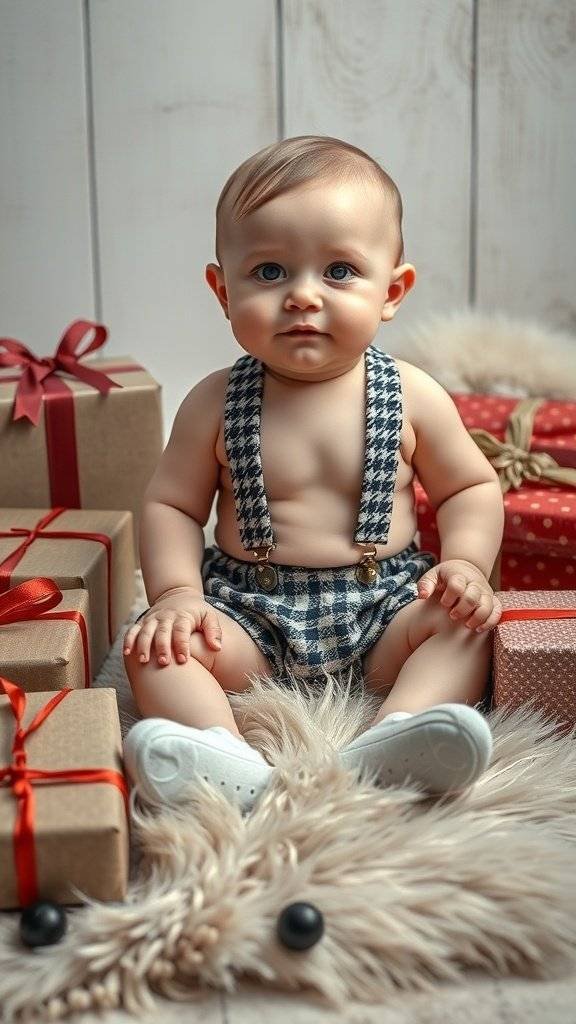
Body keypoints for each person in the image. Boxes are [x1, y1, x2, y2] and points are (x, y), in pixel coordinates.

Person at [122, 135, 504, 813]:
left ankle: (396, 734)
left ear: (392, 290)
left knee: (462, 627)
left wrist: (468, 565)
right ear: (222, 288)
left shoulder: (414, 393)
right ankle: (224, 755)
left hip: (383, 610)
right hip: (248, 617)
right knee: (158, 650)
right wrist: (178, 593)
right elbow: (172, 507)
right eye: (269, 272)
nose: (302, 296)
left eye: (338, 271)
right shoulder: (214, 401)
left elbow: (469, 487)